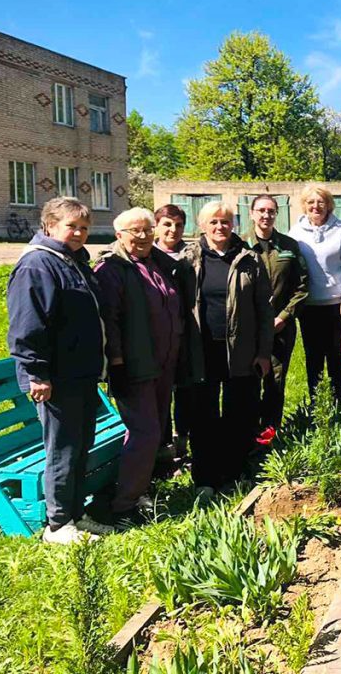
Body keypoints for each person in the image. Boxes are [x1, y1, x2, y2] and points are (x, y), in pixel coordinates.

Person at [7, 197, 111, 543]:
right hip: (56, 379)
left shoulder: (73, 262)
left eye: (84, 227)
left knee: (81, 445)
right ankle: (58, 525)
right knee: (63, 449)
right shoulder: (37, 265)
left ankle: (77, 515)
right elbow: (27, 325)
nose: (79, 233)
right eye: (72, 226)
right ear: (49, 226)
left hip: (81, 374)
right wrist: (36, 373)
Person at [94, 207, 191, 528]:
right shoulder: (111, 270)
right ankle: (122, 506)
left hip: (162, 365)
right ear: (119, 234)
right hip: (133, 367)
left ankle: (139, 492)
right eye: (134, 231)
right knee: (145, 432)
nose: (142, 236)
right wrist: (117, 363)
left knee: (155, 430)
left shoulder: (158, 264)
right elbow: (109, 321)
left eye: (147, 230)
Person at [180, 201, 274, 500]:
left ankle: (233, 474)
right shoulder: (188, 260)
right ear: (202, 225)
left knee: (240, 414)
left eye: (225, 222)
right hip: (202, 351)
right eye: (214, 222)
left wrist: (263, 351)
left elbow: (263, 309)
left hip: (241, 351)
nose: (220, 227)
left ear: (232, 225)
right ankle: (205, 478)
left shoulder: (249, 259)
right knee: (203, 416)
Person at [247, 194, 308, 438]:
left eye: (271, 211)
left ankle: (271, 432)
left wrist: (284, 316)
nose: (266, 215)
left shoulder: (289, 246)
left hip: (280, 325)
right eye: (261, 210)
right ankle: (249, 430)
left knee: (276, 379)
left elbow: (302, 286)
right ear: (252, 213)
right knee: (249, 380)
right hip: (249, 328)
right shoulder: (239, 245)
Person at [289, 185, 341, 404]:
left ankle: (337, 401)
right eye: (310, 202)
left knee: (335, 354)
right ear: (304, 206)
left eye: (320, 202)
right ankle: (317, 405)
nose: (316, 206)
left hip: (336, 304)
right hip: (308, 305)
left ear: (328, 205)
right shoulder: (296, 233)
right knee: (313, 356)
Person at [153, 204, 190, 458]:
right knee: (161, 393)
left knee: (186, 390)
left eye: (178, 225)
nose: (172, 230)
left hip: (188, 334)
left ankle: (184, 440)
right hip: (158, 338)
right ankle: (163, 447)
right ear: (156, 226)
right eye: (167, 224)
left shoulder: (191, 254)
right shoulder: (147, 255)